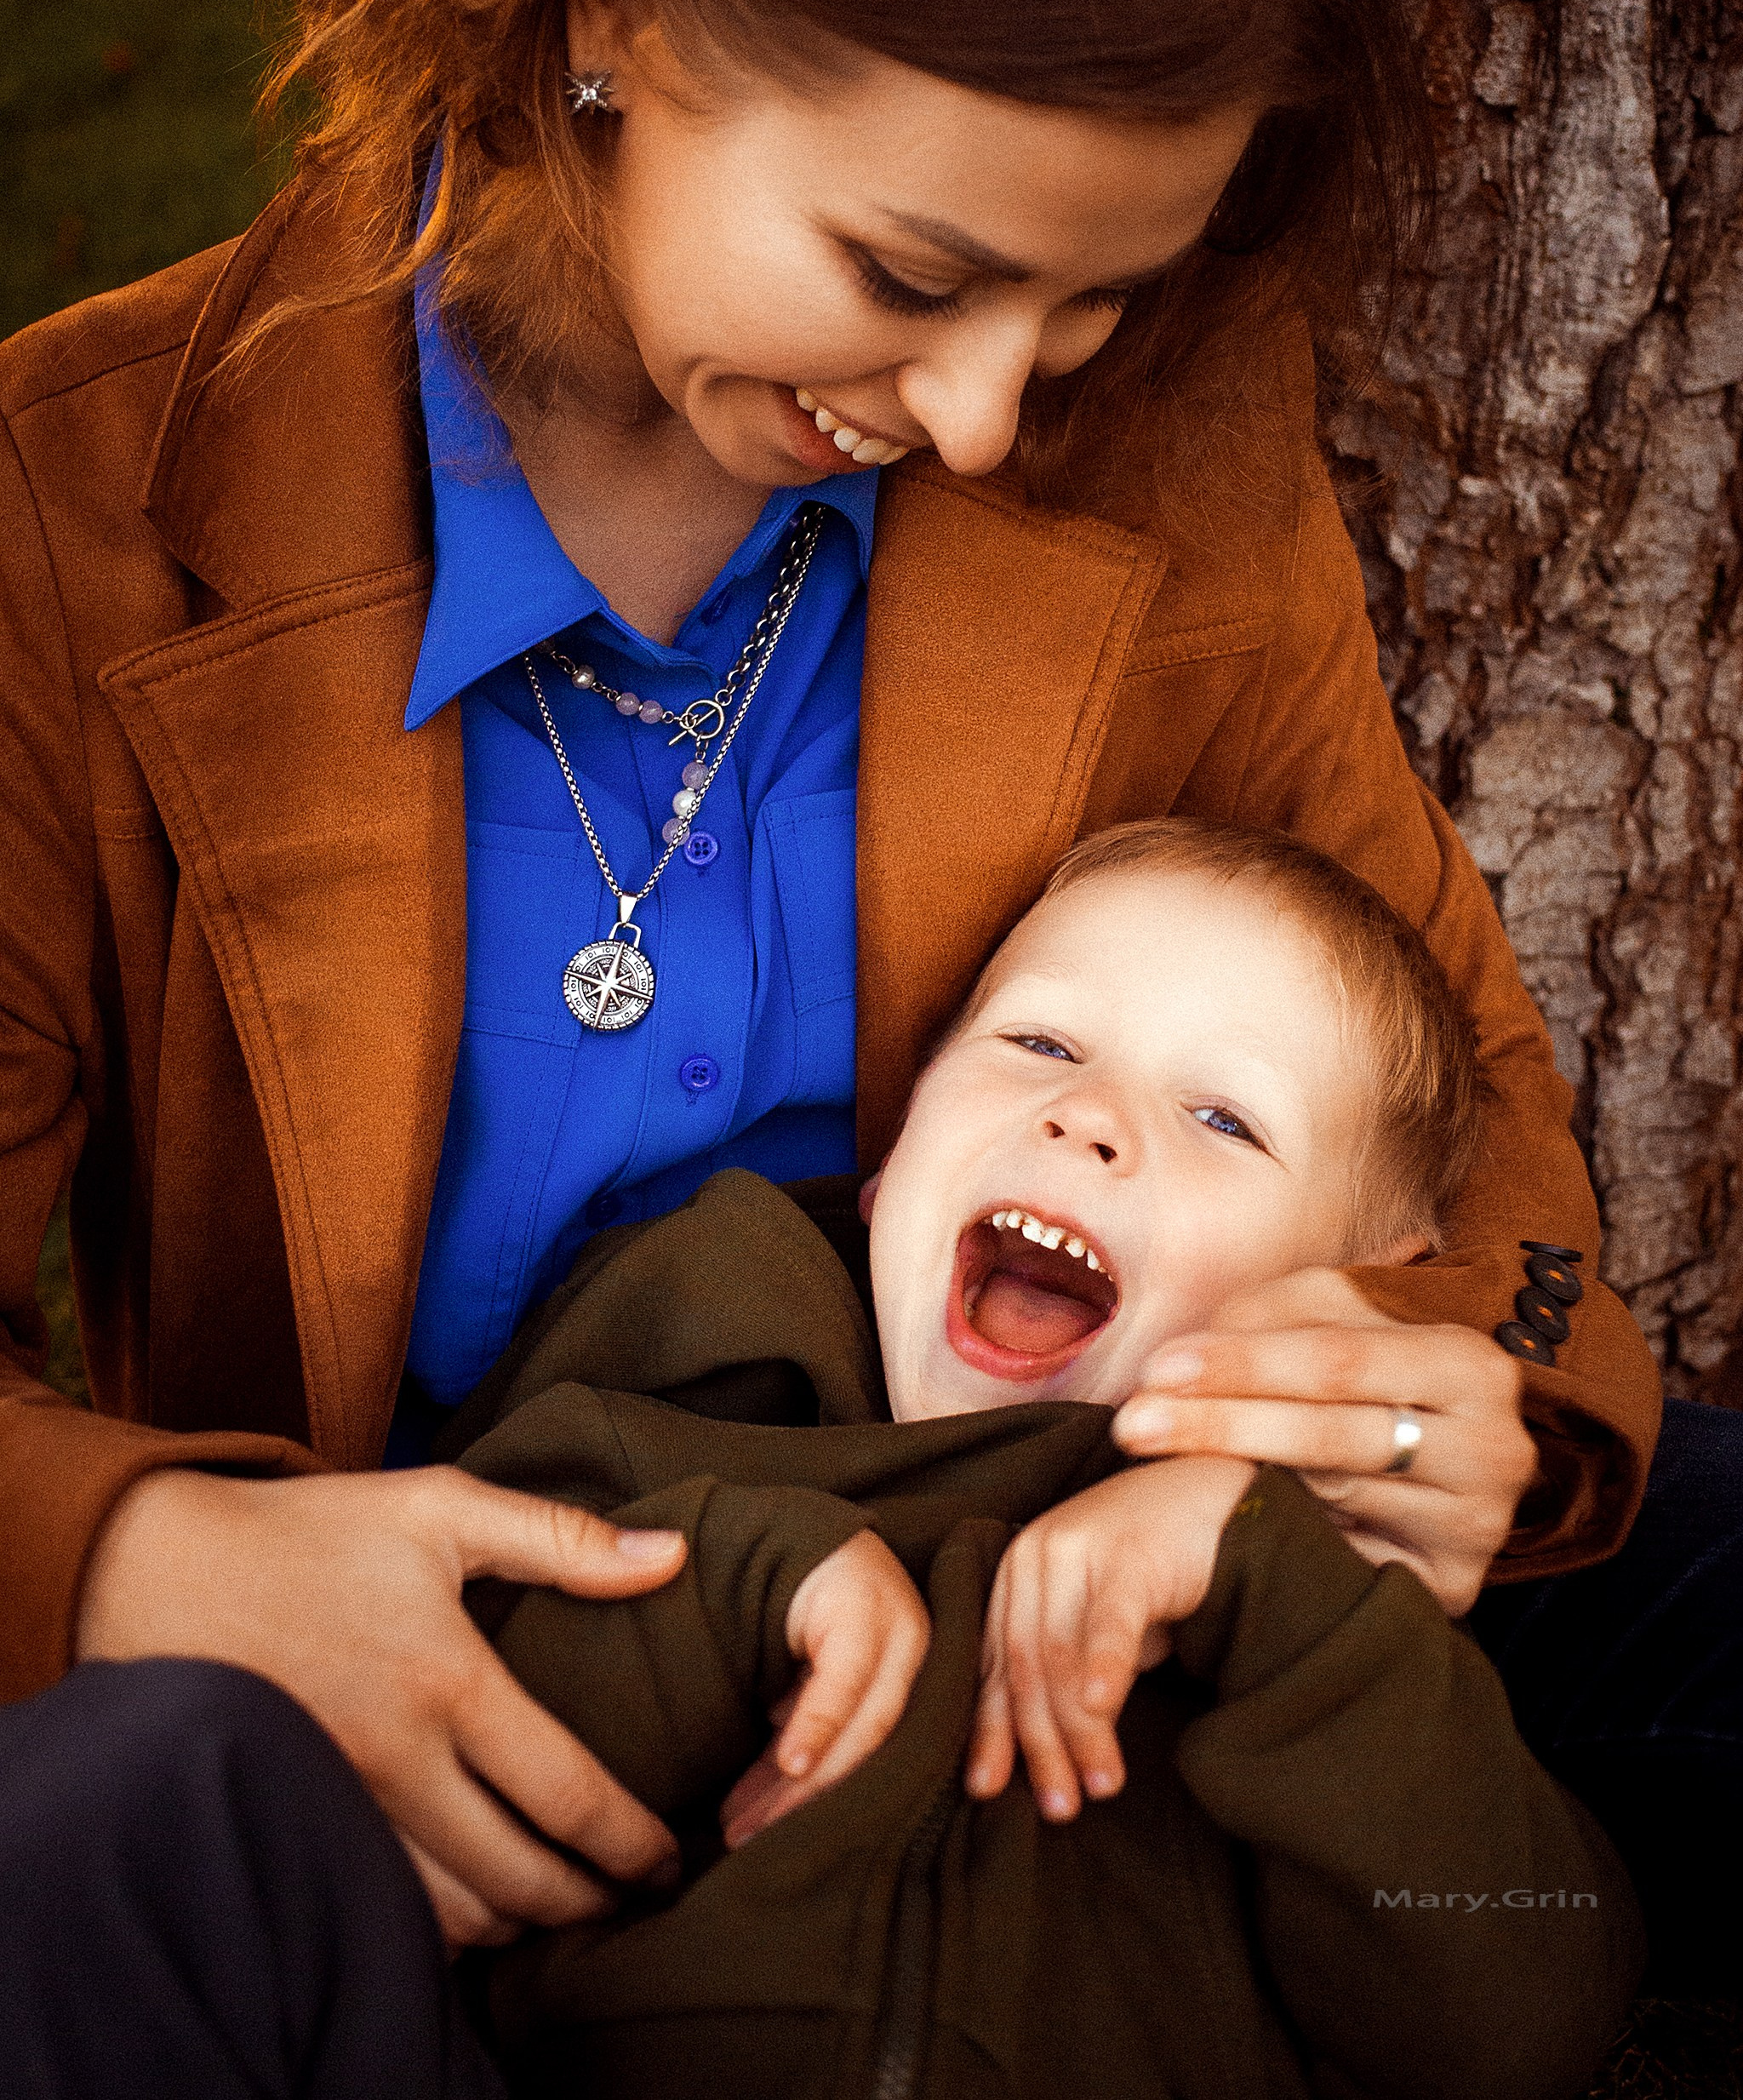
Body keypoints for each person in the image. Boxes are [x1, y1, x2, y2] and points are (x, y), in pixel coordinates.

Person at [0, 0, 1724, 2088]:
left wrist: (1455, 1383)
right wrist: (149, 1552)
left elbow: (1471, 1092)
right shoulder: (66, 511)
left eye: (1091, 307)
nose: (1000, 415)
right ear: (618, 20)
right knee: (119, 1823)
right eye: (912, 272)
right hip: (456, 1693)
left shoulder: (1161, 445)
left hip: (1091, 1609)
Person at [435, 817, 1642, 2098]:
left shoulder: (1320, 1609)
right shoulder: (688, 1349)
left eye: (1226, 1118)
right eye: (1041, 1044)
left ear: (1344, 1301)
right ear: (899, 1147)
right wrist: (747, 1584)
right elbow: (446, 1697)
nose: (1087, 1117)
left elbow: (1525, 2019)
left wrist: (1269, 1587)